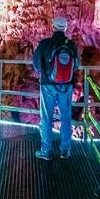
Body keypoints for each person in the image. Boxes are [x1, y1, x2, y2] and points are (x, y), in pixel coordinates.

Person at [32, 16, 81, 160]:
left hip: (48, 85)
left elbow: (36, 64)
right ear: (66, 28)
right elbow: (76, 65)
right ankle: (65, 149)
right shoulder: (71, 45)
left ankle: (46, 151)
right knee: (66, 117)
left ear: (53, 27)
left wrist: (45, 72)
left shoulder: (45, 43)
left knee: (47, 118)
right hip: (66, 86)